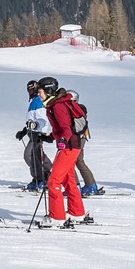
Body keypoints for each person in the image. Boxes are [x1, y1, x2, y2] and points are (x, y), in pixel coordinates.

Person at [37, 78, 91, 228]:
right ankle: (76, 212)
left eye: (40, 92)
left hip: (69, 146)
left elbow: (66, 129)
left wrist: (62, 141)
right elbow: (60, 128)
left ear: (48, 91)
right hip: (71, 145)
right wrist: (48, 137)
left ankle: (57, 217)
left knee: (53, 181)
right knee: (68, 180)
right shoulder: (55, 104)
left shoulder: (58, 106)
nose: (38, 95)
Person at [15, 80, 52, 191]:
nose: (30, 92)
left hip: (38, 134)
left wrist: (36, 127)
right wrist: (24, 131)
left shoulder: (38, 101)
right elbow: (32, 120)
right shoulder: (33, 101)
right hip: (33, 133)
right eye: (29, 90)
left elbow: (43, 119)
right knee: (38, 156)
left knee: (29, 155)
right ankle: (47, 176)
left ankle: (40, 178)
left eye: (32, 89)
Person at [66, 90, 104, 197]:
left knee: (70, 162)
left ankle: (75, 187)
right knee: (79, 161)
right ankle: (91, 185)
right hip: (80, 138)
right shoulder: (77, 109)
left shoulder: (75, 109)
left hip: (76, 138)